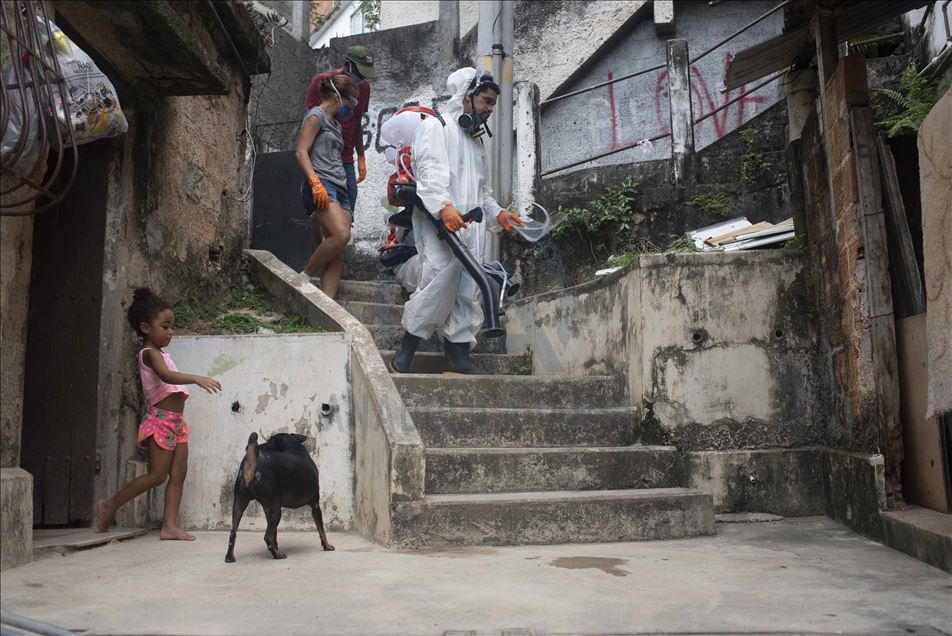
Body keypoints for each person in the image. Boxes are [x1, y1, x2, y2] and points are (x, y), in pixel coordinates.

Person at [390, 67, 523, 375]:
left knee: (468, 290)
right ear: (466, 97)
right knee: (438, 284)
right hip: (442, 228)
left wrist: (498, 213)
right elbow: (430, 177)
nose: (489, 109)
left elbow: (483, 193)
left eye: (492, 104)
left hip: (472, 231)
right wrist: (443, 208)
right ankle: (408, 347)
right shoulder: (436, 127)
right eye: (486, 101)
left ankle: (458, 354)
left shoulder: (478, 143)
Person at [95, 288, 222, 540]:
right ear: (145, 328)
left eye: (171, 327)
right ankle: (109, 505)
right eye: (165, 326)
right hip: (161, 421)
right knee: (157, 476)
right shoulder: (149, 354)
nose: (170, 331)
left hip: (177, 423)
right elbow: (165, 376)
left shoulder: (162, 354)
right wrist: (196, 378)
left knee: (179, 473)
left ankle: (169, 526)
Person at [296, 74, 360, 299]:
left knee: (336, 252)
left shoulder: (336, 124)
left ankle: (328, 310)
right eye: (351, 100)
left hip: (340, 187)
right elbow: (301, 151)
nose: (353, 107)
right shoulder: (316, 116)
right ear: (336, 96)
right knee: (342, 234)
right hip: (322, 183)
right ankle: (303, 275)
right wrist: (314, 183)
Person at [305, 46, 375, 224]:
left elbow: (357, 122)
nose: (362, 78)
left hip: (345, 160)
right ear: (347, 65)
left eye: (365, 75)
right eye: (359, 73)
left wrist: (361, 157)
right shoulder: (321, 82)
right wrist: (312, 175)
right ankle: (323, 246)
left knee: (346, 213)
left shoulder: (364, 88)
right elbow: (311, 123)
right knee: (324, 216)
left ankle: (336, 248)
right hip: (322, 159)